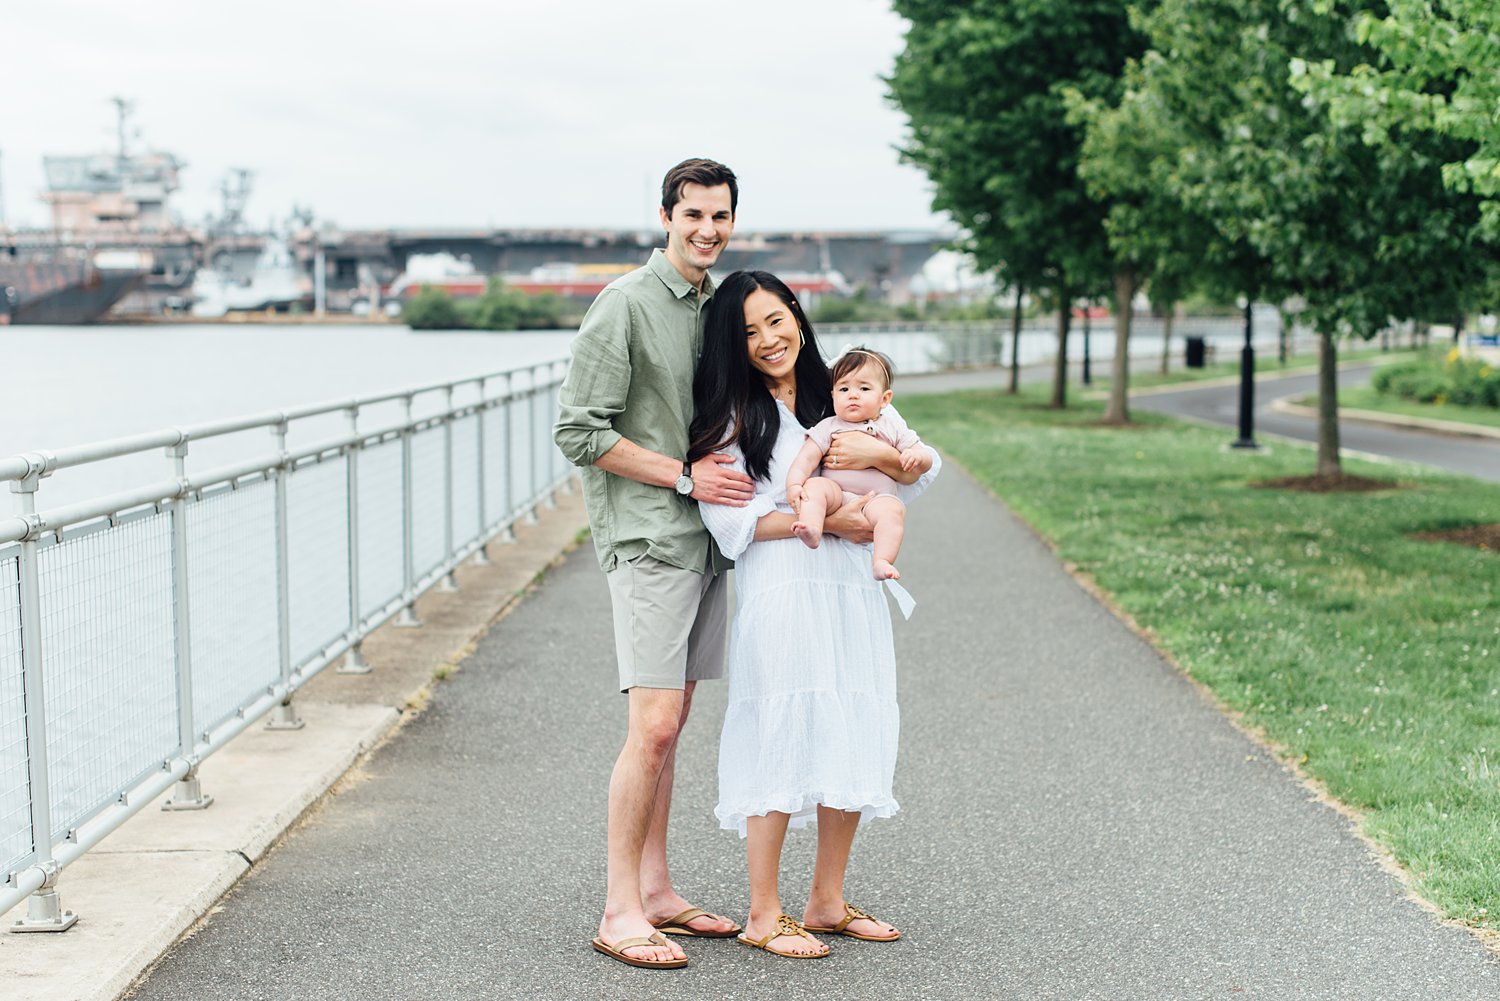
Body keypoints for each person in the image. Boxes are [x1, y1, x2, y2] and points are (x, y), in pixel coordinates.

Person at [687, 270, 941, 959]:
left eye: (776, 319)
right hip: (785, 591)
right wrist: (835, 524)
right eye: (748, 331)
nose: (768, 339)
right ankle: (763, 911)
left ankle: (826, 899)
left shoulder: (843, 389)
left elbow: (924, 463)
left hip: (851, 592)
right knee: (783, 723)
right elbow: (730, 519)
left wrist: (885, 456)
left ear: (797, 314)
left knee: (848, 719)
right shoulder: (733, 414)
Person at [554, 158, 755, 970]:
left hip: (708, 541)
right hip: (650, 539)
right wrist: (680, 475)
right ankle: (619, 908)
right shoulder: (625, 305)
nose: (708, 229)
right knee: (654, 726)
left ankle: (660, 890)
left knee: (674, 729)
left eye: (722, 216)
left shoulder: (718, 305)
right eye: (694, 215)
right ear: (666, 215)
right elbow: (579, 431)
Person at [785, 346, 931, 580]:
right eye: (844, 388)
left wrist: (917, 457)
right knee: (814, 488)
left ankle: (882, 560)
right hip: (837, 495)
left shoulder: (891, 426)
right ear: (833, 395)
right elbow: (806, 458)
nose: (853, 394)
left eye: (863, 388)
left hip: (875, 499)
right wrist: (794, 484)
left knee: (892, 512)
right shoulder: (829, 426)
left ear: (885, 399)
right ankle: (812, 527)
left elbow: (923, 455)